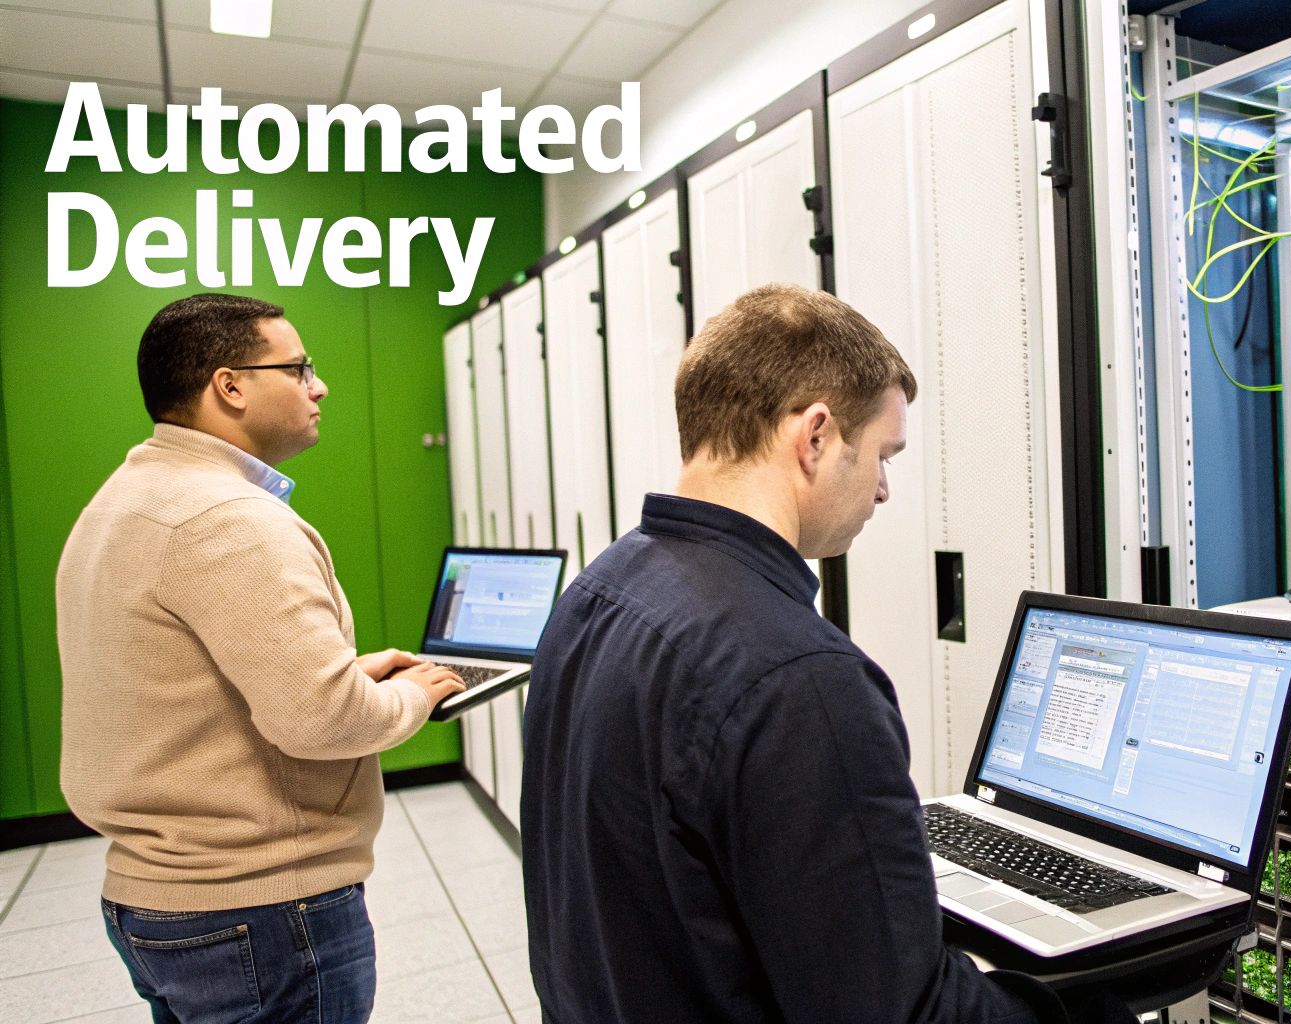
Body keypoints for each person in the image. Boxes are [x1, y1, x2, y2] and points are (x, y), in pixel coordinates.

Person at [521, 284, 1084, 1022]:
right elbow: (900, 1015)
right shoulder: (798, 681)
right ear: (815, 436)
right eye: (881, 454)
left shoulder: (596, 593)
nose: (882, 490)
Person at [56, 293, 466, 1023]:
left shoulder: (128, 497)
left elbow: (182, 683)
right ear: (230, 386)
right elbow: (323, 721)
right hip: (262, 911)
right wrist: (416, 694)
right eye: (299, 368)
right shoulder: (229, 519)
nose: (319, 387)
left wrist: (346, 675)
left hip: (158, 901)